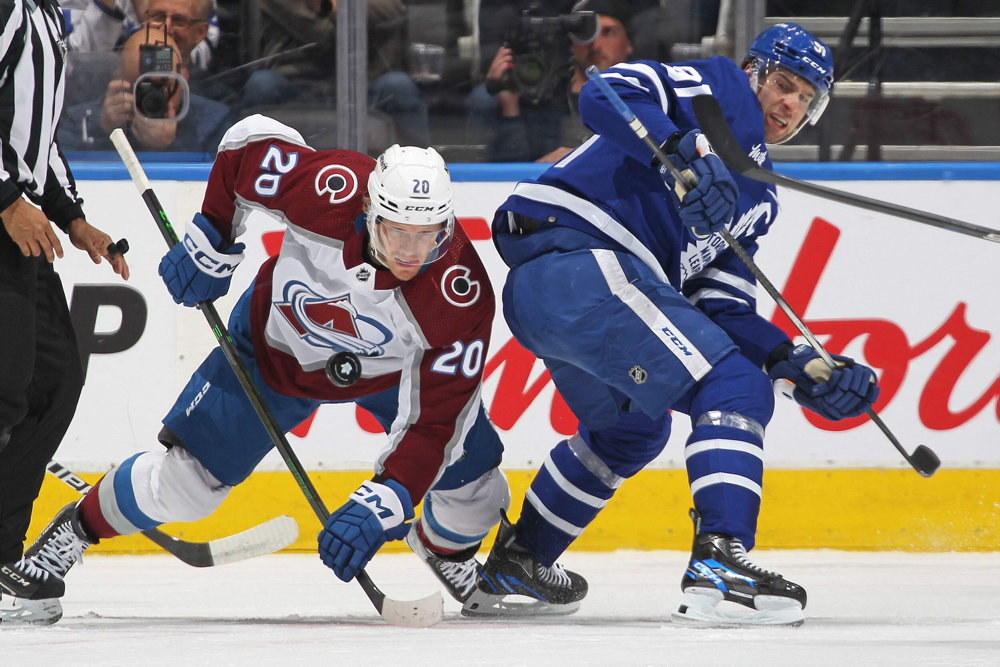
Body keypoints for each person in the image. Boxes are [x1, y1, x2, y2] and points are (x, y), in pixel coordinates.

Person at [15, 113, 512, 622]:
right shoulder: (330, 188)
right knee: (186, 488)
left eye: (427, 235)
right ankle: (73, 532)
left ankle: (444, 550)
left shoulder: (459, 295)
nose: (411, 252)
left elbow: (435, 422)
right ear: (369, 209)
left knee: (479, 485)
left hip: (393, 375)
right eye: (398, 232)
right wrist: (211, 240)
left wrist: (387, 499)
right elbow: (247, 144)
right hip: (274, 351)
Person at [463, 23, 880, 626]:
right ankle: (721, 562)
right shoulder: (719, 93)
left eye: (805, 99)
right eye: (784, 84)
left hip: (564, 295)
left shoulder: (759, 199)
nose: (790, 103)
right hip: (583, 259)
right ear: (753, 73)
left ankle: (521, 559)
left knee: (633, 431)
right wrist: (682, 148)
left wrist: (797, 363)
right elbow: (604, 91)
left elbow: (722, 309)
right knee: (734, 387)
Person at [0, 0, 130, 626]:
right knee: (4, 390)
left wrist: (73, 217)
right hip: (2, 218)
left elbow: (35, 138)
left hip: (17, 227)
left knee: (52, 380)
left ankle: (1, 558)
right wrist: (4, 197)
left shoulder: (47, 15)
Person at [236, 0, 431, 148]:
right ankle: (246, 166)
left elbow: (394, 11)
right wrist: (354, 15)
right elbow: (320, 35)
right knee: (262, 84)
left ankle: (420, 169)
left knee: (398, 86)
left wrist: (329, 6)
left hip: (364, 81)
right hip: (295, 82)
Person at [467, 0, 635, 163]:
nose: (595, 44)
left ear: (628, 43)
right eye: (583, 33)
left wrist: (581, 157)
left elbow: (652, 162)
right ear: (571, 43)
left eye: (608, 32)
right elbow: (507, 173)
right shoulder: (544, 97)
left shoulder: (645, 97)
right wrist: (510, 107)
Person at [59, 28, 232, 152]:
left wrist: (171, 145)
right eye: (139, 85)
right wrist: (103, 132)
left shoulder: (214, 122)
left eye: (163, 86)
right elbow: (65, 170)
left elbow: (216, 179)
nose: (151, 96)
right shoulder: (79, 120)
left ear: (183, 80)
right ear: (119, 80)